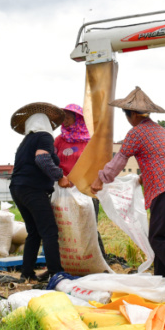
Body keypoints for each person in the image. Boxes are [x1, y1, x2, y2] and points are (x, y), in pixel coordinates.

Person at [90, 87, 165, 291]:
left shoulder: (136, 133)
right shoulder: (161, 131)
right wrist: (143, 177)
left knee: (158, 239)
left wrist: (101, 179)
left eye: (127, 115)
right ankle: (161, 278)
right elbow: (163, 159)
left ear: (132, 114)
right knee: (164, 239)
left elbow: (119, 160)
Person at [9, 102, 72, 283]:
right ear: (46, 124)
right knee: (49, 231)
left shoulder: (25, 141)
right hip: (33, 189)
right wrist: (59, 176)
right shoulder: (44, 136)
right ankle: (55, 272)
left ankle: (27, 272)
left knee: (34, 232)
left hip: (17, 188)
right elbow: (42, 159)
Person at [55, 103, 107, 257]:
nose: (65, 121)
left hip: (85, 189)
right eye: (63, 118)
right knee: (65, 226)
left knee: (88, 226)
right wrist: (59, 176)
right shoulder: (59, 140)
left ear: (78, 119)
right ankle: (71, 260)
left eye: (68, 118)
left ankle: (97, 260)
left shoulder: (89, 140)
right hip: (64, 190)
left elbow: (96, 164)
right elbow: (52, 161)